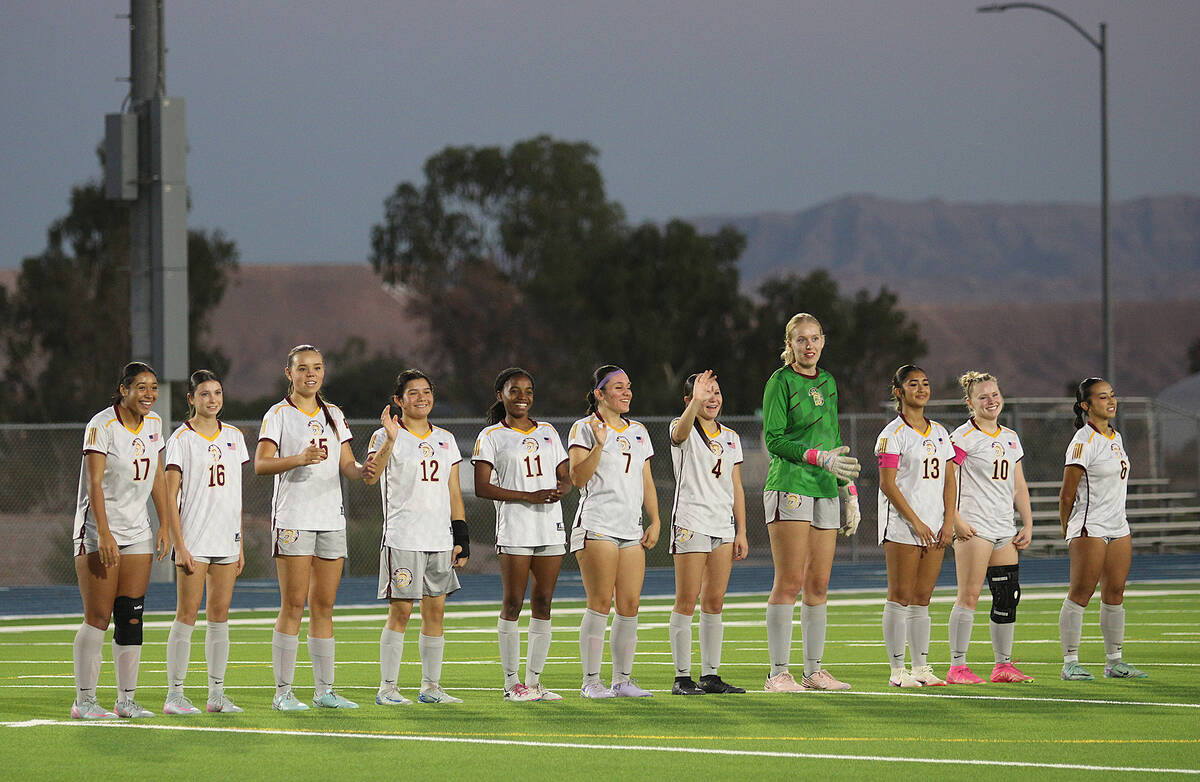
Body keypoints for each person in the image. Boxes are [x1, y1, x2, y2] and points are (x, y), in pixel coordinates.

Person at [255, 344, 367, 710]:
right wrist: (298, 459)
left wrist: (364, 470)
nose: (311, 374)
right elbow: (260, 464)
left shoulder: (334, 414)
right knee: (293, 604)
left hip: (330, 519)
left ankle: (325, 691)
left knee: (325, 605)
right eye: (302, 368)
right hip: (294, 519)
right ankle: (282, 692)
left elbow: (347, 465)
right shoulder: (278, 414)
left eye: (317, 367)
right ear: (289, 374)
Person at [761, 313, 861, 693]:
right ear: (789, 345)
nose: (809, 346)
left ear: (823, 341)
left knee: (818, 583)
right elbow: (774, 440)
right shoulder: (780, 381)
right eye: (801, 340)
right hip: (790, 483)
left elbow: (832, 436)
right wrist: (818, 458)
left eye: (815, 338)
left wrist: (848, 492)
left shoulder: (828, 382)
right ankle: (777, 674)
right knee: (789, 581)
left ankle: (814, 671)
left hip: (825, 487)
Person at [70, 361, 170, 719]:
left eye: (153, 388)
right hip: (100, 531)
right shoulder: (102, 424)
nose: (149, 395)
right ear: (123, 389)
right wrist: (105, 533)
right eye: (141, 387)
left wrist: (165, 525)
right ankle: (84, 702)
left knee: (130, 615)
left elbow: (157, 476)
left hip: (138, 529)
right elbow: (93, 483)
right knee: (98, 616)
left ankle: (125, 700)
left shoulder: (155, 424)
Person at [367, 369, 469, 706]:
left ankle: (430, 687)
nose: (421, 398)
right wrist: (391, 440)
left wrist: (461, 536)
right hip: (403, 537)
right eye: (413, 393)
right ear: (399, 400)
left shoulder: (446, 439)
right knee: (401, 612)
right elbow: (370, 477)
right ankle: (387, 688)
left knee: (435, 613)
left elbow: (454, 491)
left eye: (426, 391)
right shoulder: (385, 436)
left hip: (439, 540)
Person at [473, 368, 571, 702]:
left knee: (543, 602)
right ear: (500, 394)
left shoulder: (548, 432)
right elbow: (482, 487)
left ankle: (534, 682)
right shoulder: (491, 436)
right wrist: (526, 495)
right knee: (514, 602)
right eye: (515, 391)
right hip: (514, 526)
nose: (523, 397)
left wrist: (563, 487)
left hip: (549, 525)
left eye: (528, 391)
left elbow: (565, 475)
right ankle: (511, 682)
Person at [568, 365, 661, 698]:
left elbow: (645, 479)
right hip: (598, 524)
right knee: (600, 602)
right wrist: (599, 445)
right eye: (618, 387)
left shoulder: (639, 431)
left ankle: (622, 681)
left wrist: (655, 519)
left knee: (630, 604)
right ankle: (591, 682)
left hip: (630, 528)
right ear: (599, 394)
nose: (626, 392)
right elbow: (577, 478)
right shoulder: (584, 428)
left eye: (628, 386)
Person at [161, 370, 249, 715]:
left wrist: (239, 543)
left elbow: (235, 496)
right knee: (186, 615)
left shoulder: (235, 437)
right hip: (194, 539)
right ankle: (175, 695)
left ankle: (216, 695)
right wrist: (179, 545)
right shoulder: (181, 438)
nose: (212, 400)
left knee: (220, 617)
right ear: (191, 399)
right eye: (204, 394)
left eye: (217, 393)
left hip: (226, 540)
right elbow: (170, 496)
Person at [945, 371, 1035, 684]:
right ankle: (957, 667)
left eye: (994, 394)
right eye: (983, 397)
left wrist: (1027, 521)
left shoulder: (1010, 436)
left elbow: (1018, 484)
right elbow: (948, 479)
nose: (991, 401)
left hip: (1003, 528)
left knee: (1007, 594)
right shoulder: (962, 437)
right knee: (969, 596)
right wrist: (955, 519)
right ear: (969, 403)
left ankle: (1003, 666)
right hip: (975, 527)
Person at [1058, 377, 1147, 681]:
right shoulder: (1083, 441)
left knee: (1116, 592)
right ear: (1086, 406)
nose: (1111, 401)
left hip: (1118, 524)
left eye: (1112, 395)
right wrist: (1067, 527)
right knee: (1081, 592)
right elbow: (1067, 493)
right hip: (1090, 525)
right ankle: (1070, 662)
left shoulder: (1115, 436)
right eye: (1102, 397)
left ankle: (1114, 662)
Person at [667, 371, 748, 695]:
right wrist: (695, 402)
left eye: (716, 391)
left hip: (721, 526)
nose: (712, 398)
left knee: (714, 601)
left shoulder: (731, 436)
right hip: (691, 522)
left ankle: (710, 675)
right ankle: (682, 677)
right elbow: (679, 434)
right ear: (689, 400)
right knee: (686, 600)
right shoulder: (681, 425)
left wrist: (741, 530)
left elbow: (736, 486)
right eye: (704, 393)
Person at [875, 364, 957, 688]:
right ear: (899, 392)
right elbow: (887, 484)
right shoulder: (891, 434)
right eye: (913, 384)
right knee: (900, 595)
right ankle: (898, 672)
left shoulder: (939, 432)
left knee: (923, 597)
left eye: (925, 383)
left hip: (935, 526)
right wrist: (916, 521)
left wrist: (947, 520)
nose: (921, 389)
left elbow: (950, 479)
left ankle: (922, 668)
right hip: (902, 526)